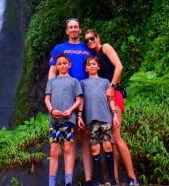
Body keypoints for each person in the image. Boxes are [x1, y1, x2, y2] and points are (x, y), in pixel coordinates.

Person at [84, 29, 140, 185]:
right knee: (111, 140)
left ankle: (132, 178)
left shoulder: (105, 48)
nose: (89, 41)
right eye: (87, 40)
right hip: (104, 99)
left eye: (92, 38)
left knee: (116, 135)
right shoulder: (94, 60)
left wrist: (112, 86)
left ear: (98, 37)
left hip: (114, 93)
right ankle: (114, 179)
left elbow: (119, 66)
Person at [48, 18, 94, 185]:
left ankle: (88, 178)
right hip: (66, 96)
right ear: (67, 31)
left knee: (86, 135)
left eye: (76, 27)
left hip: (86, 92)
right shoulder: (59, 49)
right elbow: (52, 72)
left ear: (79, 30)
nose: (73, 30)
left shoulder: (87, 48)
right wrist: (50, 96)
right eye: (70, 27)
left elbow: (95, 66)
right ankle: (70, 179)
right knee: (71, 137)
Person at [78, 56, 119, 186]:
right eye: (89, 64)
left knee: (107, 145)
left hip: (105, 117)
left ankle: (112, 179)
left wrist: (115, 115)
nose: (91, 66)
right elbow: (81, 100)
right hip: (91, 119)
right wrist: (79, 115)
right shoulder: (83, 83)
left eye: (94, 64)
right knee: (95, 148)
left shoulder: (105, 82)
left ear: (98, 66)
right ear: (85, 68)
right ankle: (98, 181)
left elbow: (110, 99)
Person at [45, 53, 83, 186]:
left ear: (69, 65)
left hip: (68, 119)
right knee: (54, 150)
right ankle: (51, 182)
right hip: (54, 120)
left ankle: (68, 181)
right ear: (56, 65)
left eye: (65, 63)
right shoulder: (52, 81)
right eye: (59, 64)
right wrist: (51, 110)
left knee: (68, 148)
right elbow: (47, 99)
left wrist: (71, 110)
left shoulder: (74, 81)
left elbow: (79, 100)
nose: (62, 65)